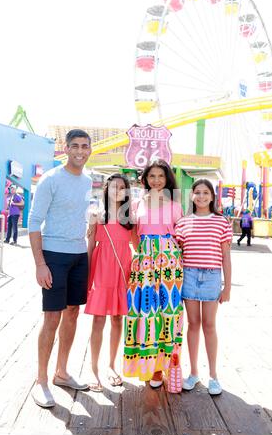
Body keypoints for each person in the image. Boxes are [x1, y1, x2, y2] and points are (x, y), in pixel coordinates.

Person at [28, 129, 92, 408]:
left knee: (73, 314)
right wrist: (40, 264)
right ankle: (41, 380)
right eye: (75, 146)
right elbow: (33, 222)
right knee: (51, 318)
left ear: (90, 149)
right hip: (54, 255)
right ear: (66, 149)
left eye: (85, 146)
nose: (80, 150)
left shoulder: (89, 180)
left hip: (80, 254)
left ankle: (62, 372)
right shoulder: (50, 179)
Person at [123, 159, 183, 388]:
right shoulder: (138, 203)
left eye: (160, 176)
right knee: (145, 312)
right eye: (152, 176)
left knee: (167, 313)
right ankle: (146, 366)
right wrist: (143, 254)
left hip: (169, 263)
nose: (156, 180)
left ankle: (163, 368)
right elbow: (133, 234)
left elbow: (181, 236)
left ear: (167, 178)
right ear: (145, 179)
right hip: (144, 262)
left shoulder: (175, 205)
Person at [175, 179, 232, 395]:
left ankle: (214, 376)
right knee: (193, 324)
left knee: (209, 324)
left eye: (205, 192)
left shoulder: (221, 222)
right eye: (197, 192)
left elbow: (226, 256)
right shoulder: (183, 222)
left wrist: (227, 287)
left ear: (212, 196)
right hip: (188, 275)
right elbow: (178, 253)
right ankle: (194, 373)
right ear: (192, 196)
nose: (201, 196)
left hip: (211, 277)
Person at [85, 174, 133, 392]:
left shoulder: (130, 217)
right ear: (106, 188)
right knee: (98, 320)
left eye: (122, 187)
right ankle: (93, 369)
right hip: (101, 269)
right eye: (114, 186)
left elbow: (138, 246)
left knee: (117, 319)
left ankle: (112, 366)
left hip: (123, 269)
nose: (118, 190)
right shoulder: (96, 213)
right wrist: (86, 276)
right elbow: (90, 245)